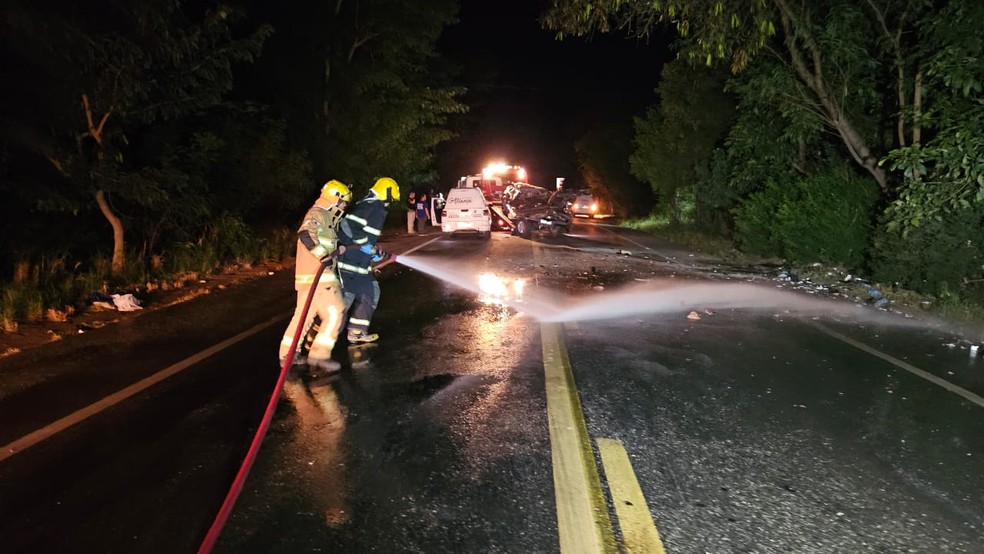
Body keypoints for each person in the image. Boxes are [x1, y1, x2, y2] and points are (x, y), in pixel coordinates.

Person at [279, 180, 352, 372]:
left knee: (303, 318)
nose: (343, 207)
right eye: (343, 202)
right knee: (336, 311)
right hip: (319, 278)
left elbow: (321, 239)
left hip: (308, 276)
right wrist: (323, 255)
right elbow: (305, 234)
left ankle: (287, 355)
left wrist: (339, 248)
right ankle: (319, 356)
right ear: (335, 198)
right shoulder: (319, 213)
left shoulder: (324, 217)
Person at [337, 176, 399, 344]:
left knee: (371, 292)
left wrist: (372, 252)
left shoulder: (375, 208)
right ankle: (320, 334)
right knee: (344, 302)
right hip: (349, 264)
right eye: (391, 199)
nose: (390, 203)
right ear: (386, 193)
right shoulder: (371, 206)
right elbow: (348, 225)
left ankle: (357, 332)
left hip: (360, 264)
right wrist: (365, 245)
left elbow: (364, 234)